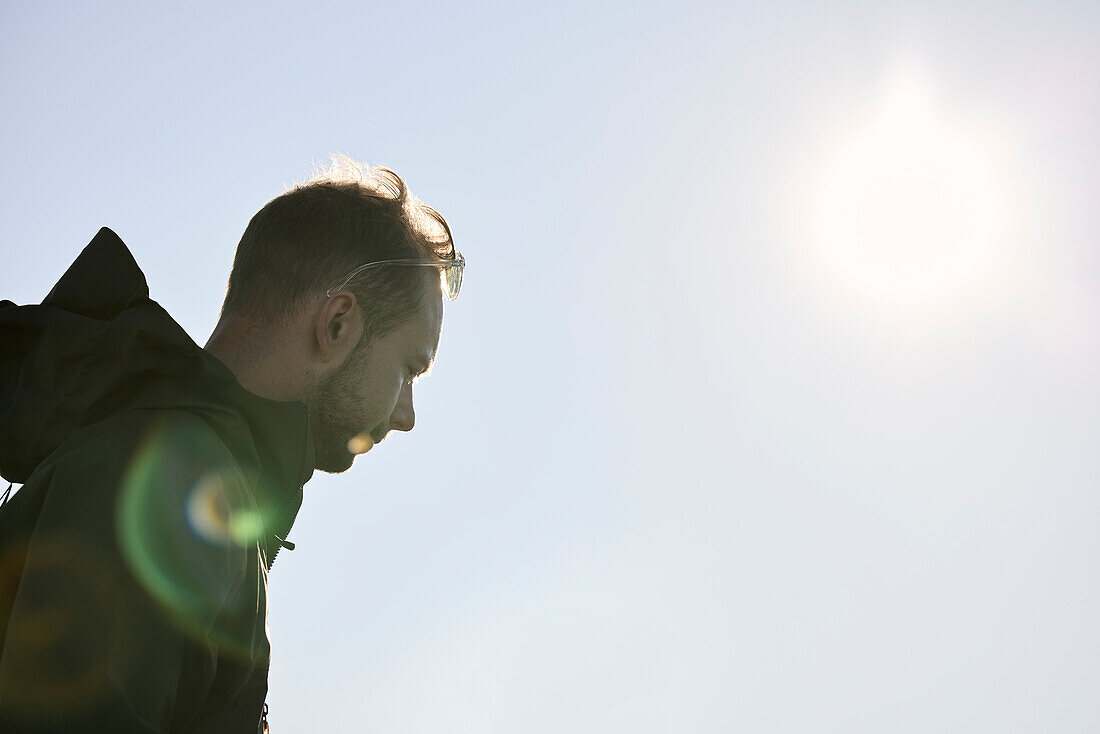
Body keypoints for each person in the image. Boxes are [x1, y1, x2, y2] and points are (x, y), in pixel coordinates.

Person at [0, 155, 464, 733]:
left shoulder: (186, 478)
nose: (406, 415)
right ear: (339, 324)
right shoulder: (173, 493)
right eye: (409, 370)